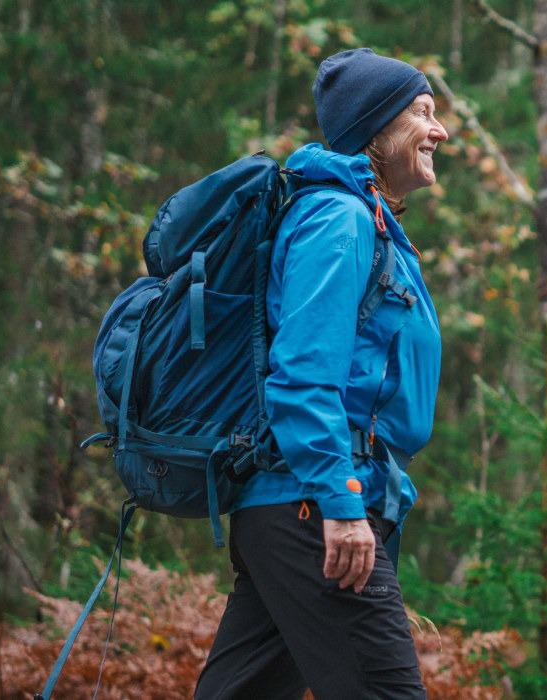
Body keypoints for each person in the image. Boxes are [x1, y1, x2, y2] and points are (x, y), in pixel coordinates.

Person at [194, 47, 446, 700]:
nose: (440, 130)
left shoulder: (367, 220)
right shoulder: (338, 219)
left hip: (297, 504)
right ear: (376, 128)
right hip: (311, 506)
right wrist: (340, 501)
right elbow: (304, 371)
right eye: (422, 112)